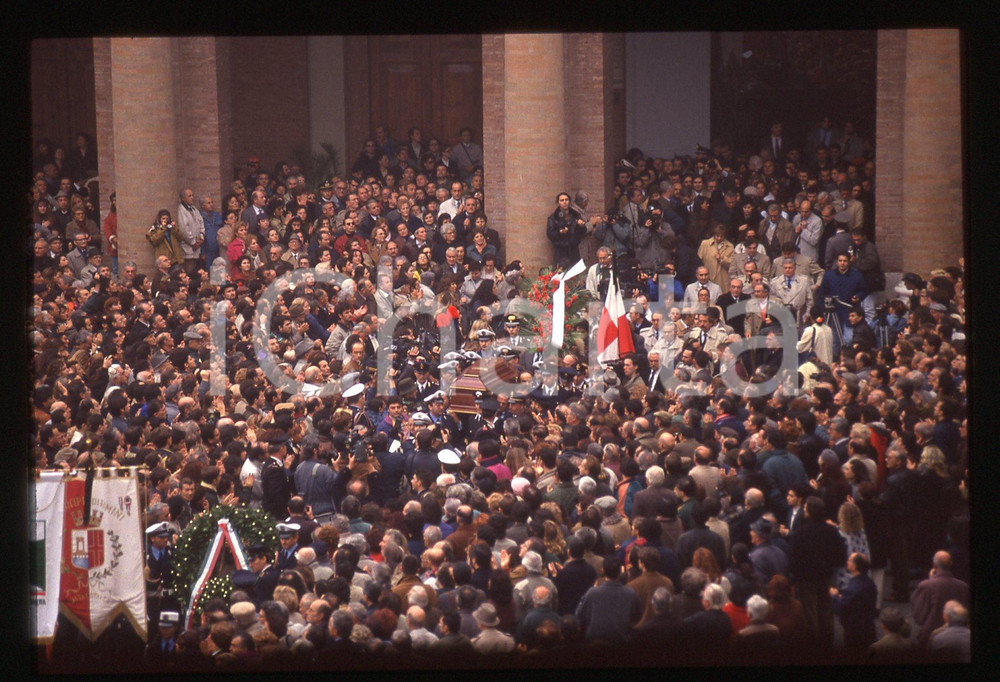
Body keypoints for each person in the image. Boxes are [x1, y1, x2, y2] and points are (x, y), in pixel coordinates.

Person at [574, 556, 641, 645]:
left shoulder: (592, 593)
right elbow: (637, 617)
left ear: (602, 571)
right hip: (622, 642)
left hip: (596, 643)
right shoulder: (630, 594)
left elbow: (579, 614)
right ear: (620, 571)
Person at [830, 552, 878, 653]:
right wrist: (842, 596)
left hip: (855, 631)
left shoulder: (854, 587)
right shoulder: (869, 582)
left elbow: (840, 608)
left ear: (854, 566)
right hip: (868, 626)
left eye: (849, 560)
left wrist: (834, 596)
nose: (847, 562)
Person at [546, 192, 588, 269]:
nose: (564, 202)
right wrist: (560, 232)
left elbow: (583, 231)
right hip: (560, 250)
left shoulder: (576, 215)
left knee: (575, 272)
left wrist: (581, 226)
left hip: (574, 249)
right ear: (558, 203)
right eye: (562, 200)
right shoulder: (553, 217)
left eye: (566, 200)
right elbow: (550, 234)